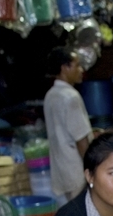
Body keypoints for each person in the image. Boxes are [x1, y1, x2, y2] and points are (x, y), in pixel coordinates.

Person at [44, 47, 92, 205]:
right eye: (77, 65)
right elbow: (81, 139)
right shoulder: (71, 96)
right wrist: (92, 170)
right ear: (65, 68)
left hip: (61, 171)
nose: (81, 70)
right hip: (76, 170)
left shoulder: (50, 95)